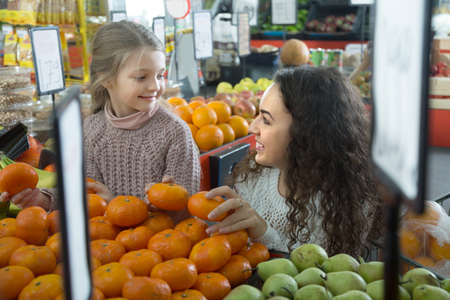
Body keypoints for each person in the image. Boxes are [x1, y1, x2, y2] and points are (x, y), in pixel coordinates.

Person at [1, 21, 201, 212]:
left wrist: (116, 204)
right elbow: (85, 193)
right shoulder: (92, 130)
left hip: (160, 245)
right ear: (107, 79)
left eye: (160, 75)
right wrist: (44, 199)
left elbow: (186, 209)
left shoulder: (175, 133)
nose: (155, 86)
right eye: (141, 77)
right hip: (104, 243)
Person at [206, 66, 383, 256]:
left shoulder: (348, 200)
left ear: (305, 132)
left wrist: (263, 233)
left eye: (266, 120)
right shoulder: (252, 176)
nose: (251, 127)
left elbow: (321, 274)